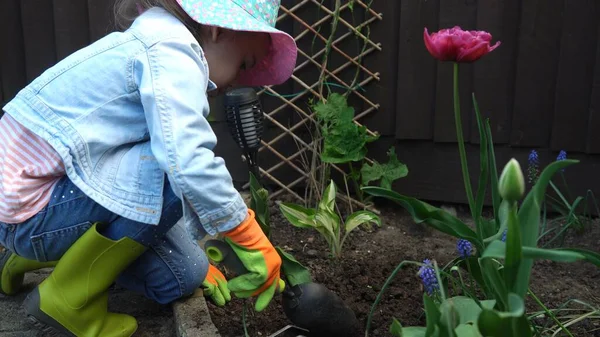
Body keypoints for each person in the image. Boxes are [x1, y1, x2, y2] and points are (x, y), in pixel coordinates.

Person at [0, 0, 297, 335]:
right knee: (176, 164)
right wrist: (244, 232)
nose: (240, 79)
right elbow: (185, 160)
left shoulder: (159, 41)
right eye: (245, 63)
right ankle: (66, 300)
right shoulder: (171, 49)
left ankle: (34, 257)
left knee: (184, 275)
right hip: (33, 207)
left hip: (34, 205)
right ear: (219, 28)